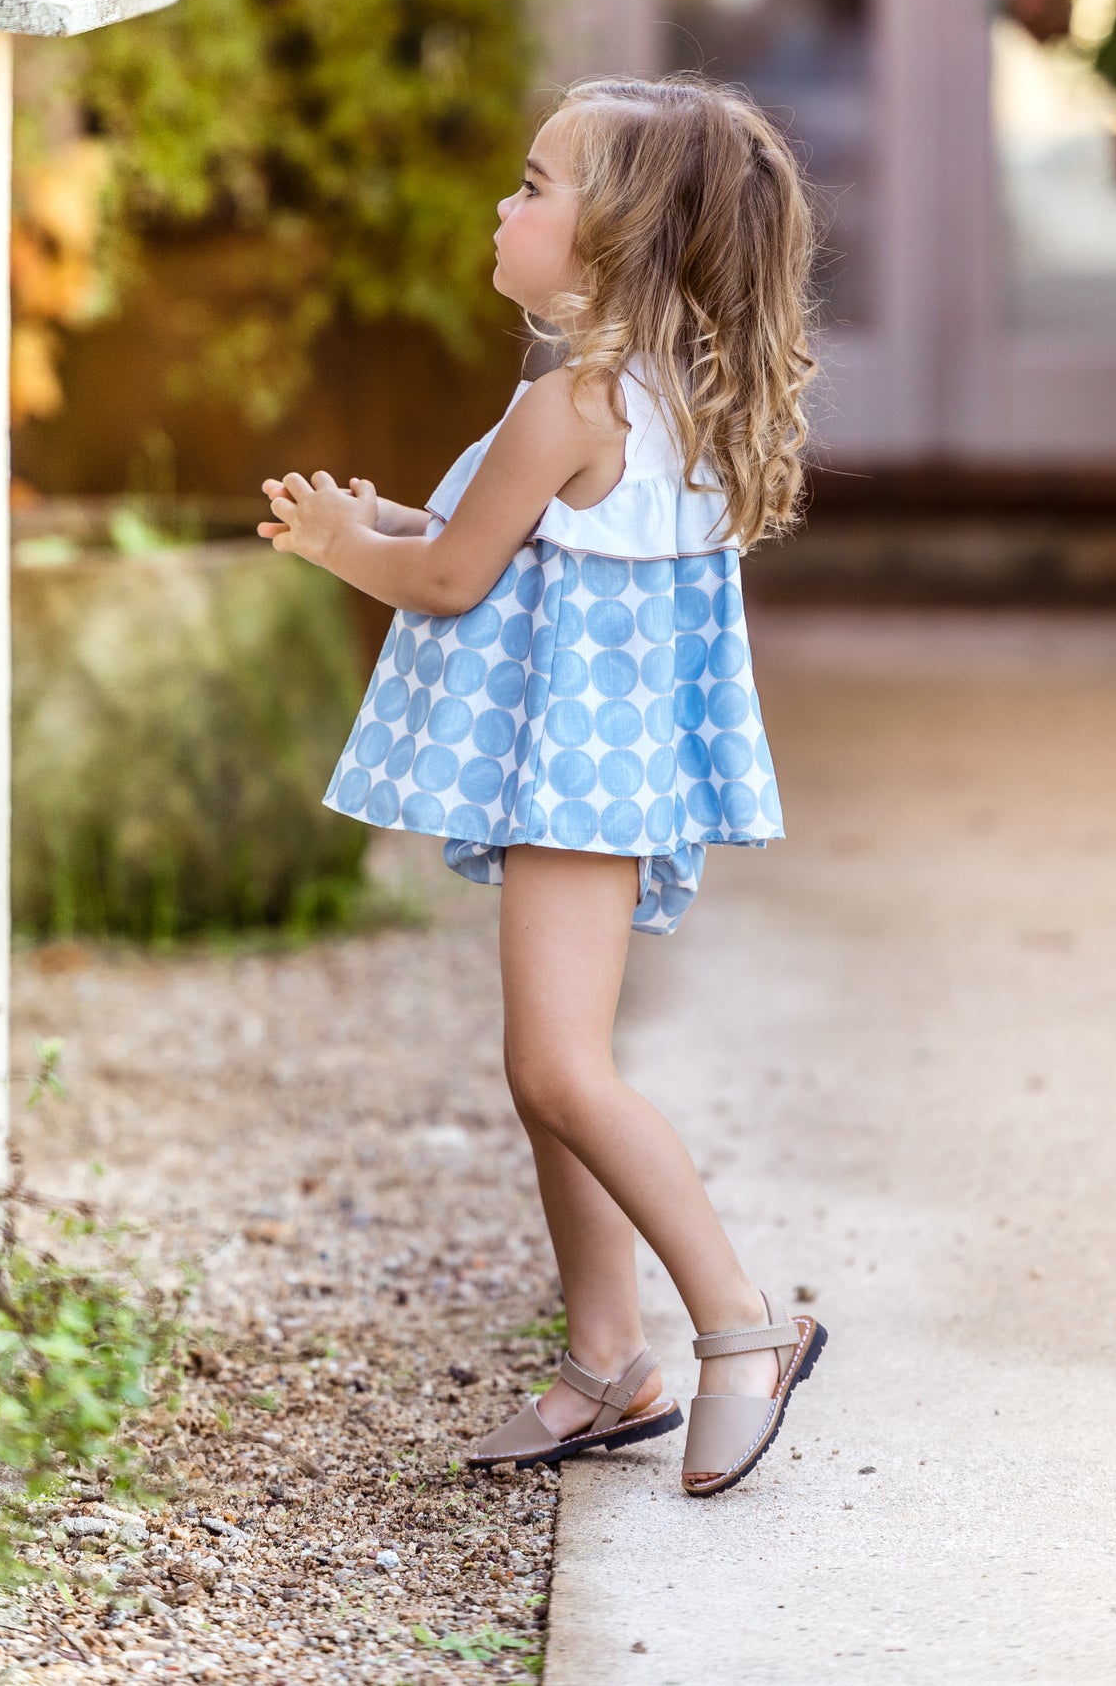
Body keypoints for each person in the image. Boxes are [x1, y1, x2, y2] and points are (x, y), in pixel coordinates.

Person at [257, 74, 826, 1496]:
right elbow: (490, 544)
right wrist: (380, 516)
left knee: (563, 1068)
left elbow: (449, 577)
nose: (503, 207)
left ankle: (739, 1323)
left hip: (578, 780)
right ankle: (604, 1355)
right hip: (600, 769)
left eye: (531, 185)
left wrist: (343, 546)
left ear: (612, 236)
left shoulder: (571, 400)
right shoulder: (656, 390)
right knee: (542, 1073)